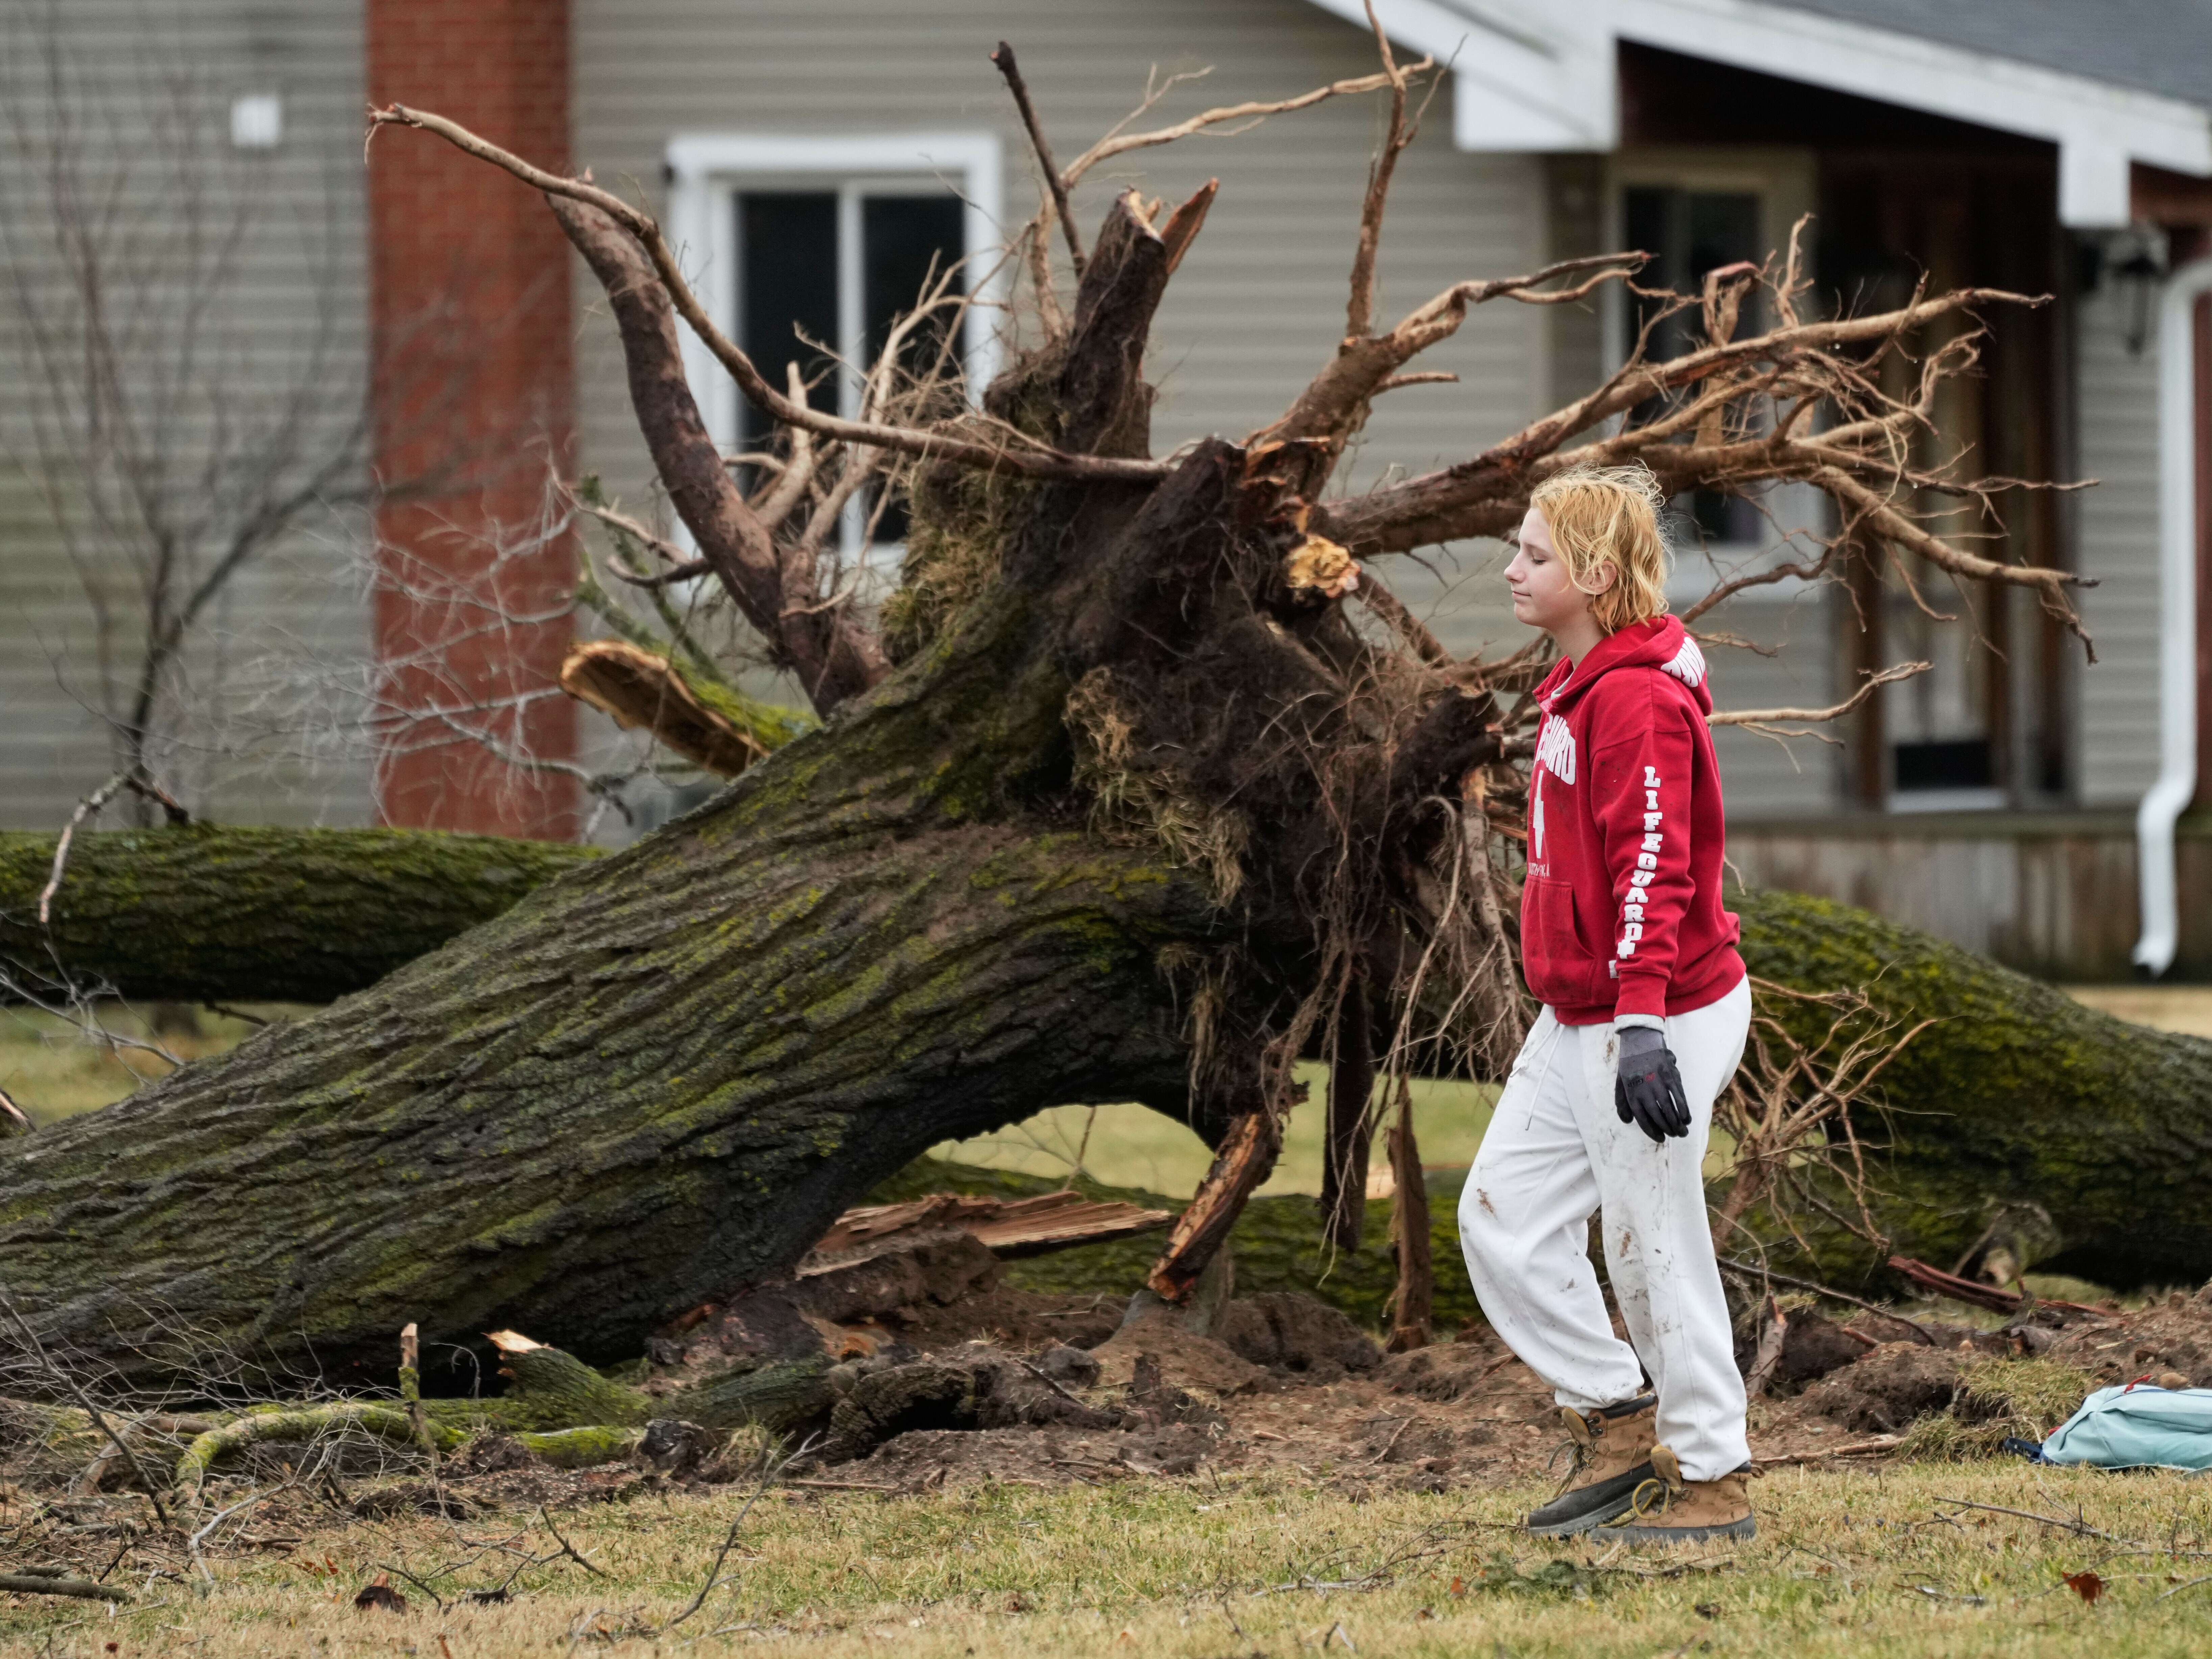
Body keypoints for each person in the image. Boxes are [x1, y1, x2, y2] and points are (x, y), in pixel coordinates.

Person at [1457, 463, 1755, 1544]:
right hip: (1586, 1010)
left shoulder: (1635, 697)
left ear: (1593, 572)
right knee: (1503, 1216)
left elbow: (1654, 869)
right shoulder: (1585, 681)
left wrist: (1640, 1024)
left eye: (1532, 555)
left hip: (1656, 1015)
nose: (1511, 571)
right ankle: (1621, 1423)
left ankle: (1713, 1477)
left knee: (1649, 1238)